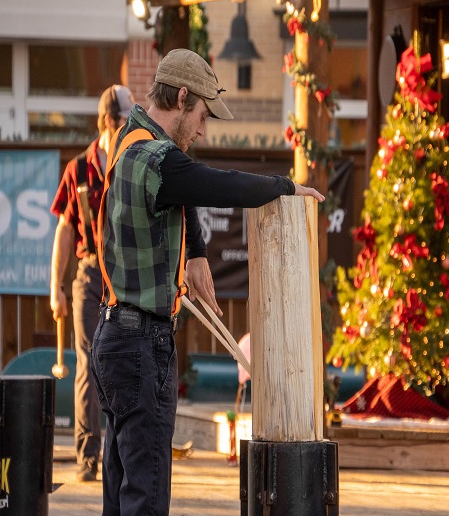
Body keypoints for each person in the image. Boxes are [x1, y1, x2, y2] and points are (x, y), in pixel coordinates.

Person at [90, 48, 324, 515]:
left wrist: (195, 253)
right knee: (146, 497)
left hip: (112, 337)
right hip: (141, 347)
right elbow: (220, 183)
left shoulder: (127, 136)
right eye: (201, 115)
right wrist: (285, 186)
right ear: (181, 96)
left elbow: (181, 187)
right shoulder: (160, 161)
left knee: (119, 493)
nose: (203, 129)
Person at [49, 85, 135, 482]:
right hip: (87, 276)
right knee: (87, 360)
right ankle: (88, 458)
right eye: (127, 119)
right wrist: (56, 287)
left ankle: (117, 455)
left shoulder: (133, 163)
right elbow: (65, 231)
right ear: (110, 121)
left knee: (117, 363)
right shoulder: (78, 169)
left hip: (122, 276)